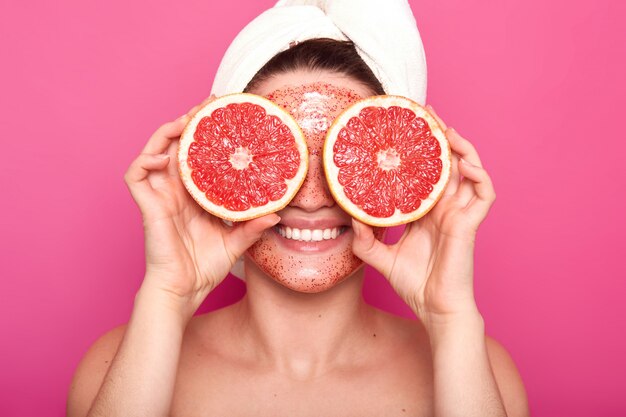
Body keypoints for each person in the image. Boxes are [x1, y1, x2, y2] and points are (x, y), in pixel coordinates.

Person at [67, 1, 529, 416]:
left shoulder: (477, 369)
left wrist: (450, 318)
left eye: (341, 159)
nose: (309, 197)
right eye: (277, 156)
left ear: (403, 176)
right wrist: (167, 295)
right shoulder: (118, 367)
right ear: (220, 170)